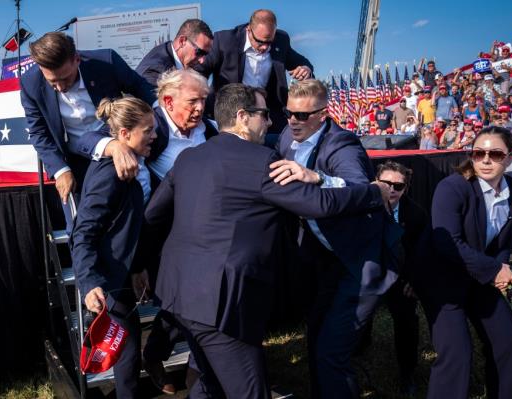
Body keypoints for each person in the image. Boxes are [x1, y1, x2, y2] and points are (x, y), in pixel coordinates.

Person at [144, 83, 388, 398]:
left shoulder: (189, 158)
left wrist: (141, 266)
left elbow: (153, 216)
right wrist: (374, 192)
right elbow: (319, 204)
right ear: (243, 117)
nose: (273, 122)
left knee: (209, 381)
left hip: (177, 294)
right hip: (220, 303)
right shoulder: (261, 162)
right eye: (265, 114)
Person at [272, 79, 400, 398]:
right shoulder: (288, 136)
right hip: (326, 259)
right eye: (288, 113)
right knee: (317, 337)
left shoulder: (342, 144)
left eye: (302, 116)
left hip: (359, 263)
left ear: (322, 114)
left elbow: (361, 189)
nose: (292, 121)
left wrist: (319, 177)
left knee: (331, 351)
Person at [417, 126, 512, 399]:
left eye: (495, 154)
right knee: (457, 354)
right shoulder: (452, 187)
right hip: (442, 280)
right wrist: (494, 271)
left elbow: (504, 242)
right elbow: (446, 243)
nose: (486, 160)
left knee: (510, 342)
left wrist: (501, 269)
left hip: (481, 278)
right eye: (479, 153)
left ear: (511, 157)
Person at [20, 32, 156, 231]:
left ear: (77, 59)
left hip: (123, 150)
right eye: (52, 82)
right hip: (76, 162)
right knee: (80, 230)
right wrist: (60, 171)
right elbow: (39, 133)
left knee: (131, 220)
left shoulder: (107, 62)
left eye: (65, 79)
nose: (59, 88)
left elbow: (143, 90)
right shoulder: (29, 83)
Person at [138, 69, 219, 394]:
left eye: (204, 99)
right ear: (168, 101)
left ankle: (195, 371)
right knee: (176, 306)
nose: (201, 107)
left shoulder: (209, 130)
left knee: (199, 306)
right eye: (193, 101)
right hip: (165, 240)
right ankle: (154, 355)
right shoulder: (150, 128)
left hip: (206, 236)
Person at [70, 96, 156, 399]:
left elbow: (125, 227)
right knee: (128, 350)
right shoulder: (110, 174)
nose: (155, 136)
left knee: (129, 347)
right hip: (109, 278)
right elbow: (84, 232)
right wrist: (89, 282)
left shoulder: (133, 163)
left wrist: (136, 266)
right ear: (124, 135)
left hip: (123, 271)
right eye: (148, 131)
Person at [359, 161, 429, 396]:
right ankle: (357, 358)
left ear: (405, 189)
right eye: (385, 183)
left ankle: (407, 371)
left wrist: (415, 280)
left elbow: (421, 252)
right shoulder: (359, 205)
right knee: (358, 319)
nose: (390, 189)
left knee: (407, 320)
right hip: (365, 274)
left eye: (397, 186)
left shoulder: (416, 214)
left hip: (400, 277)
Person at [196, 9, 313, 134]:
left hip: (267, 116)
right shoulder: (225, 40)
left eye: (269, 42)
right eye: (260, 42)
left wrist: (306, 70)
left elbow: (303, 63)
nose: (265, 47)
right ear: (248, 30)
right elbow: (199, 72)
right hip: (230, 114)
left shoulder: (281, 40)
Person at [136, 19, 213, 87]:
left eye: (205, 54)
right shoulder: (155, 71)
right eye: (199, 52)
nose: (202, 60)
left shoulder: (184, 66)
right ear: (182, 41)